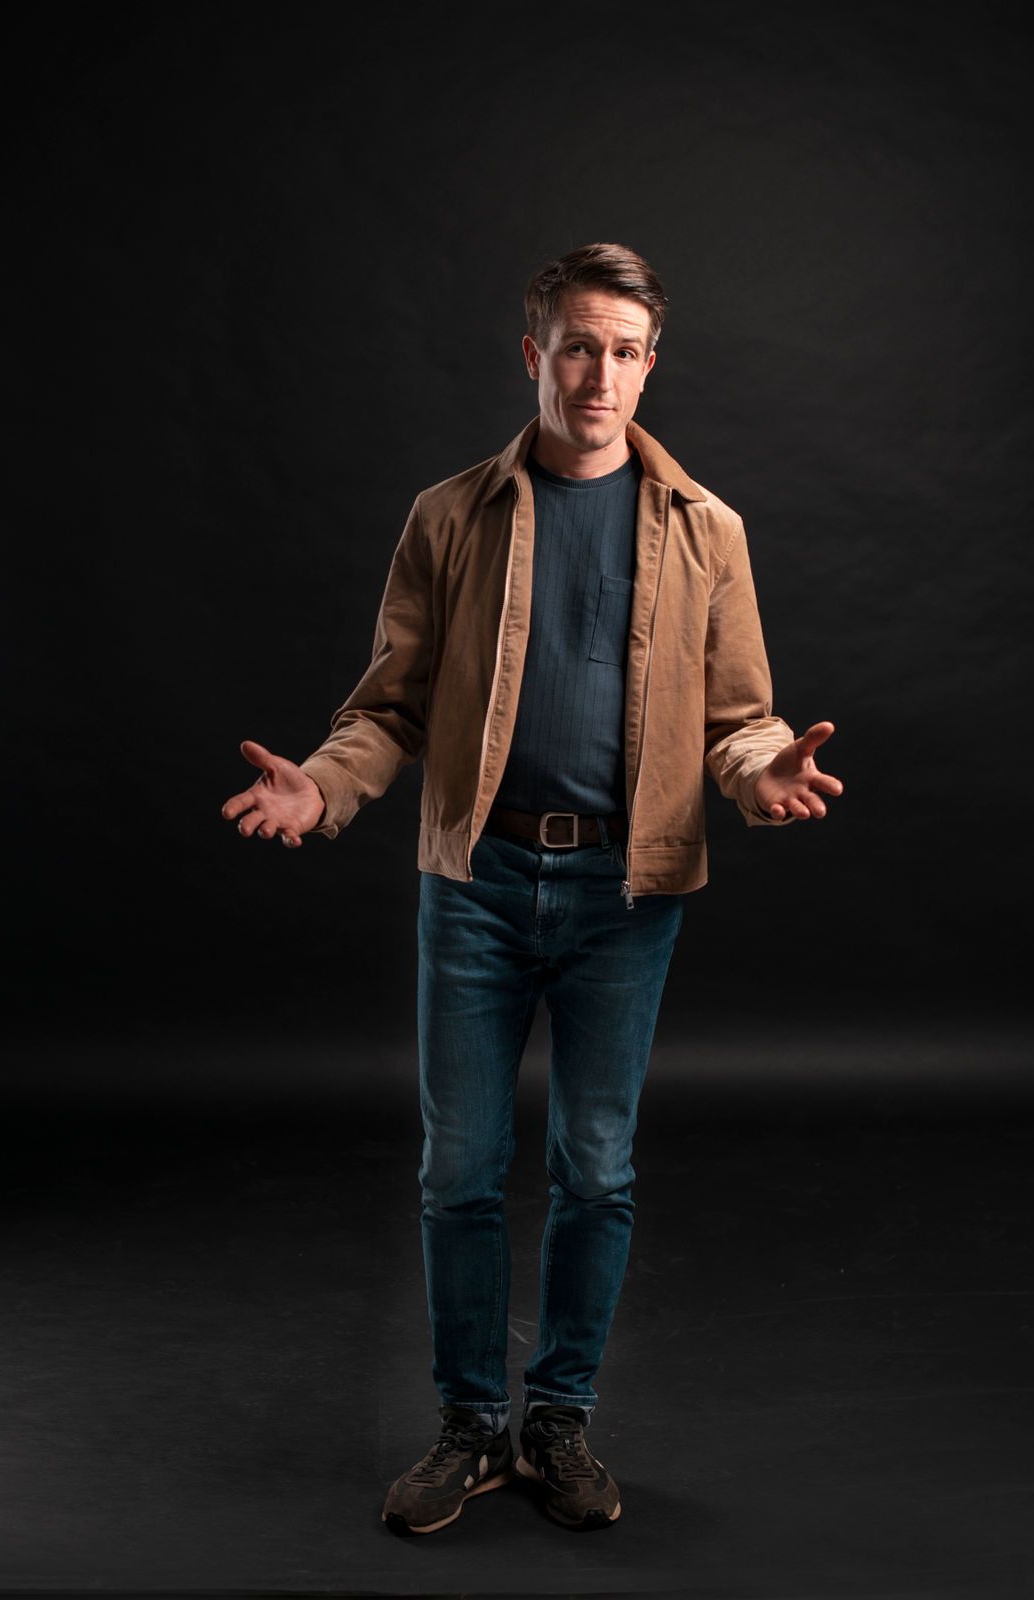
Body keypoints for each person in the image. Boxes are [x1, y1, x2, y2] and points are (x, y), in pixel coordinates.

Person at [220, 242, 843, 1535]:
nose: (598, 373)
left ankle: (558, 1421)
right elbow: (387, 707)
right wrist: (321, 790)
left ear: (650, 365)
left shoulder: (708, 530)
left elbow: (738, 719)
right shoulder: (448, 517)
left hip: (628, 892)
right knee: (458, 1168)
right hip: (478, 881)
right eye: (575, 347)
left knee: (596, 1168)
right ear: (533, 356)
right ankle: (468, 1425)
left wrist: (763, 770)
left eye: (623, 350)